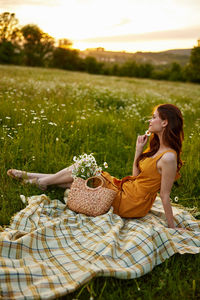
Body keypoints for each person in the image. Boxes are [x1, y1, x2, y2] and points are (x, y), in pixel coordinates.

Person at [7, 103, 184, 229]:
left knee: (82, 170)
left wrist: (172, 227)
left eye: (154, 117)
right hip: (127, 190)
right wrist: (138, 151)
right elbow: (136, 176)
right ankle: (33, 177)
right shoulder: (156, 148)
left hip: (132, 202)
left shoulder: (168, 157)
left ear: (165, 122)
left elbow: (165, 195)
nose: (150, 121)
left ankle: (38, 180)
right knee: (78, 180)